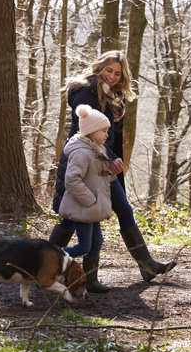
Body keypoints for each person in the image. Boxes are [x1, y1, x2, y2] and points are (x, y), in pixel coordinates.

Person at [50, 51, 176, 282]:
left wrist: (114, 159)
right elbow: (86, 132)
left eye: (118, 73)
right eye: (109, 70)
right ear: (100, 67)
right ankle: (42, 262)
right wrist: (110, 156)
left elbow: (111, 136)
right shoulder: (86, 91)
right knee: (74, 216)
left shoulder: (115, 98)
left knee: (109, 211)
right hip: (85, 160)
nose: (112, 76)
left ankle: (108, 274)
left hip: (105, 162)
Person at [58, 105, 118, 293]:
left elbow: (99, 176)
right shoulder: (82, 152)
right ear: (91, 131)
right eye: (103, 130)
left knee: (96, 242)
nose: (107, 135)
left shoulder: (97, 149)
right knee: (84, 246)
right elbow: (71, 180)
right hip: (84, 207)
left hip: (92, 209)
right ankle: (50, 258)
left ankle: (91, 280)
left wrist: (112, 172)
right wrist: (90, 200)